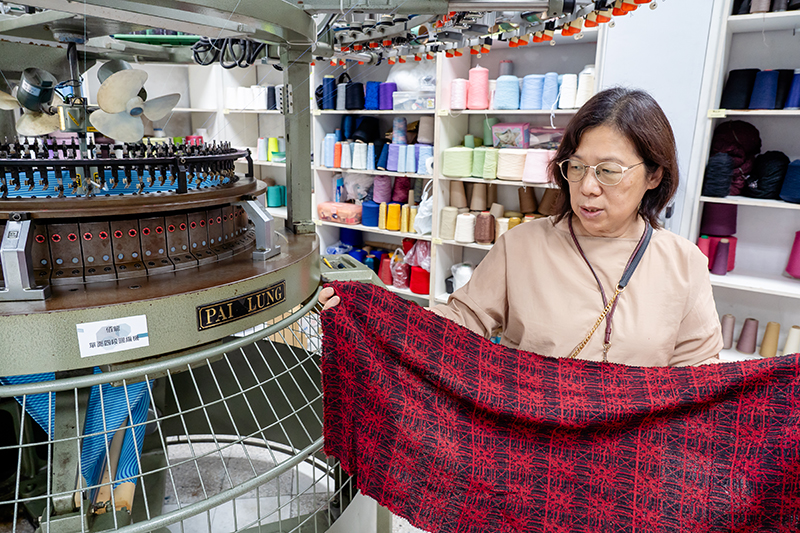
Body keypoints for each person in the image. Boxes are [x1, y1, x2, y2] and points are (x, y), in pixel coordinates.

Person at [320, 87, 723, 367]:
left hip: (628, 454)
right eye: (576, 167)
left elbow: (699, 378)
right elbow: (461, 320)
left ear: (654, 175)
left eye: (609, 171)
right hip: (528, 445)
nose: (587, 187)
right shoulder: (523, 246)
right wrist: (375, 312)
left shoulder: (683, 264)